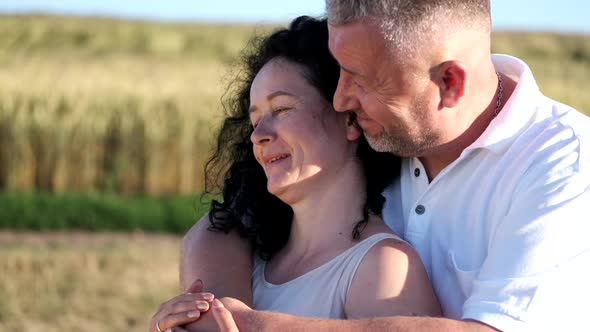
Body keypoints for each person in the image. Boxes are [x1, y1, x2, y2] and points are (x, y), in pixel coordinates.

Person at [155, 0, 590, 330]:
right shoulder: (386, 130)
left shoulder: (561, 165)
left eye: (361, 79)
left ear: (448, 83)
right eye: (340, 71)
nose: (342, 99)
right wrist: (208, 306)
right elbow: (230, 224)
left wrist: (256, 324)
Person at [149, 16, 440, 332]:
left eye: (282, 110)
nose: (257, 135)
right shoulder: (250, 258)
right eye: (255, 119)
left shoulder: (383, 268)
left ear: (351, 119)